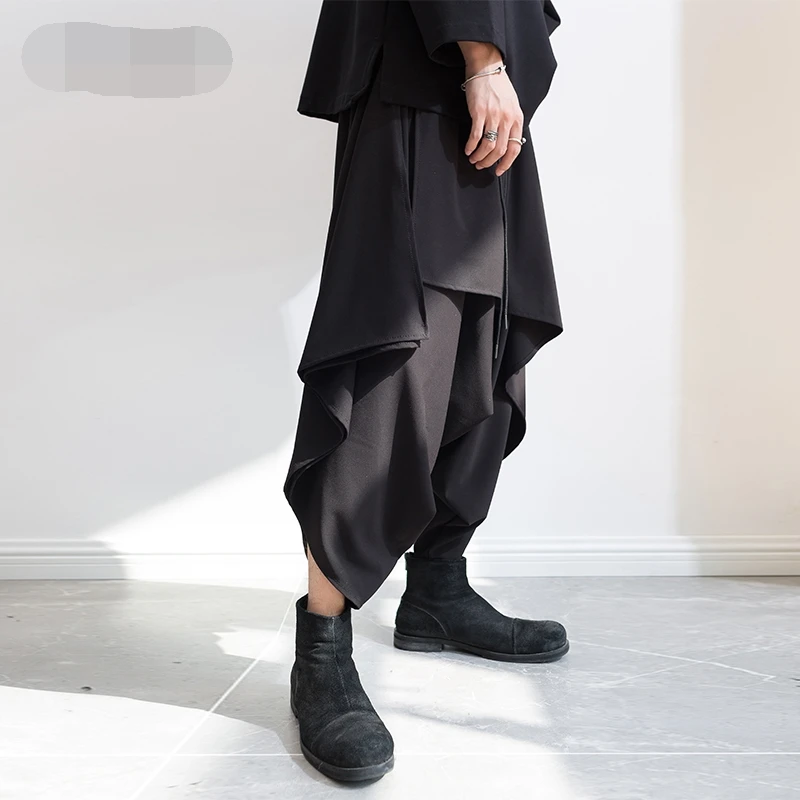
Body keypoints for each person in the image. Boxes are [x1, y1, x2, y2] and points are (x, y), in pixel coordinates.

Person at [283, 0, 566, 783]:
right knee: (392, 356)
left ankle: (437, 588)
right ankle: (322, 649)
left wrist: (497, 64)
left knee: (484, 346)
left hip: (487, 89)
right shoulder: (473, 64)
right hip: (427, 70)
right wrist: (482, 57)